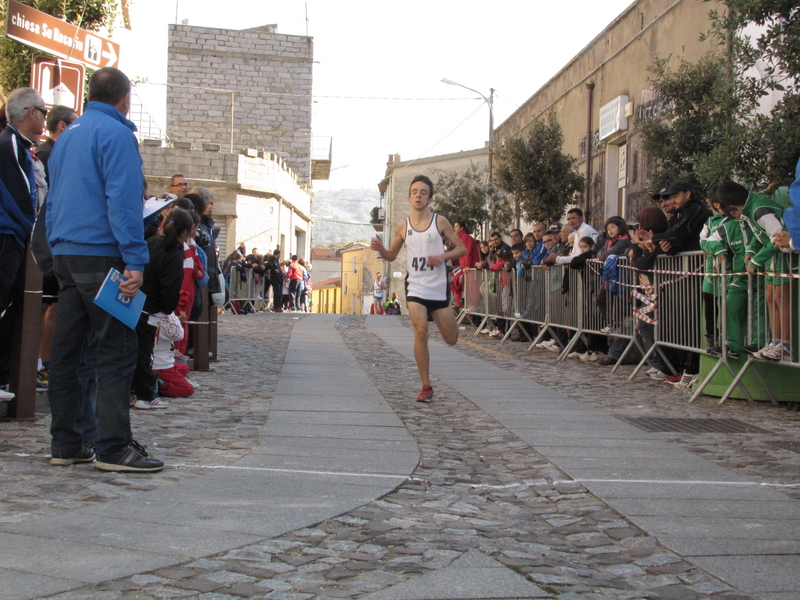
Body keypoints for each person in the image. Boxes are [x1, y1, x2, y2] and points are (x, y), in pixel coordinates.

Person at [46, 67, 164, 472]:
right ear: (125, 98)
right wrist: (135, 259)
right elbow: (124, 200)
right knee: (115, 349)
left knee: (69, 351)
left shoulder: (67, 136)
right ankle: (113, 447)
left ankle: (67, 442)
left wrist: (54, 249)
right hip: (103, 255)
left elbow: (53, 197)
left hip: (66, 253)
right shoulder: (116, 135)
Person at [370, 175, 465, 402]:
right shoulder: (403, 226)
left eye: (423, 192)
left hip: (438, 288)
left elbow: (460, 249)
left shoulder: (439, 222)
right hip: (416, 287)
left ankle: (428, 381)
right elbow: (392, 255)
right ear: (409, 197)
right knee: (421, 330)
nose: (418, 196)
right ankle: (426, 386)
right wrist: (381, 249)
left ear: (430, 198)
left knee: (451, 339)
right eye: (415, 192)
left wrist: (442, 255)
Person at [0, 87, 47, 400]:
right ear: (31, 112)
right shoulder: (11, 143)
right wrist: (31, 226)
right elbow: (20, 195)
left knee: (10, 303)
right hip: (8, 234)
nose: (45, 119)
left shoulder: (20, 145)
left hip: (14, 234)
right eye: (43, 112)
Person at [131, 208, 192, 409]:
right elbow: (171, 285)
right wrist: (167, 310)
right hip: (151, 307)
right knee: (145, 351)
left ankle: (136, 391)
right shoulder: (173, 252)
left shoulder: (151, 242)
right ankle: (145, 395)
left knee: (136, 349)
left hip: (136, 301)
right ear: (185, 232)